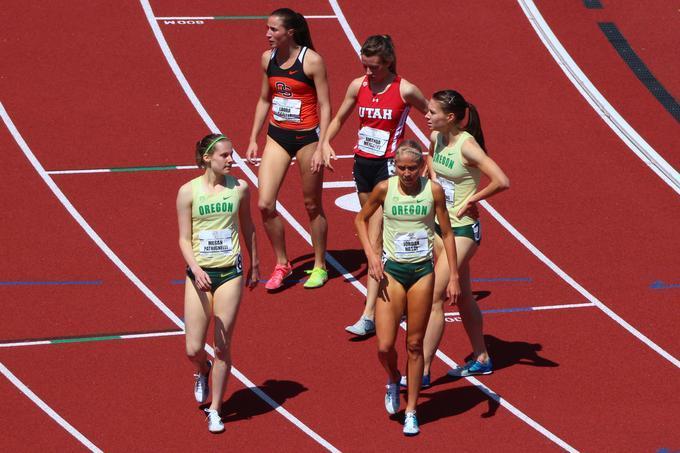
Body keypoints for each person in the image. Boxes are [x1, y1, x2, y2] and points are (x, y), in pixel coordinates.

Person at [321, 35, 428, 336]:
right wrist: (325, 143)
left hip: (388, 167)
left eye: (374, 68)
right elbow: (340, 116)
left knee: (376, 240)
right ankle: (408, 284)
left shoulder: (405, 89)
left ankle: (368, 314)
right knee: (372, 234)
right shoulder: (358, 85)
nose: (368, 73)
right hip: (362, 165)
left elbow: (433, 116)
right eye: (364, 66)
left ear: (389, 63)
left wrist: (434, 153)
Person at [355, 140, 460, 436]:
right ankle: (392, 377)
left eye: (412, 168)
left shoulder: (433, 191)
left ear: (422, 168)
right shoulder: (385, 189)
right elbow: (360, 219)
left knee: (414, 345)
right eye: (401, 167)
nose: (406, 173)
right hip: (393, 272)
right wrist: (371, 255)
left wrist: (452, 275)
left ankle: (412, 410)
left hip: (423, 273)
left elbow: (448, 233)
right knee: (385, 345)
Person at [414, 90, 510, 385]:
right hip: (440, 227)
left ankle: (423, 370)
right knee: (465, 296)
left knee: (433, 297)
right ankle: (481, 357)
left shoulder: (467, 147)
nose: (426, 116)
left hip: (463, 230)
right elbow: (431, 161)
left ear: (450, 117)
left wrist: (473, 200)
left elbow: (502, 181)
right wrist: (432, 184)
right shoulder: (436, 138)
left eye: (432, 112)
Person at [177, 133, 259, 433]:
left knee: (222, 346)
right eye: (224, 155)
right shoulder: (188, 192)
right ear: (207, 159)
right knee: (193, 348)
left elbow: (248, 226)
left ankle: (216, 409)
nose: (231, 160)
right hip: (199, 275)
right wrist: (195, 268)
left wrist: (255, 263)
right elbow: (184, 238)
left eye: (232, 154)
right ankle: (202, 369)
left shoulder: (240, 189)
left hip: (229, 274)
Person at [246, 8, 332, 291]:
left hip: (307, 138)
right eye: (267, 28)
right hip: (277, 137)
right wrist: (253, 138)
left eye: (273, 29)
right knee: (264, 203)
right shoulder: (266, 59)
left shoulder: (312, 61)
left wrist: (323, 145)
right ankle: (282, 263)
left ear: (289, 33)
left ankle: (319, 265)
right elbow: (263, 99)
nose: (267, 34)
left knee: (311, 205)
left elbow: (325, 104)